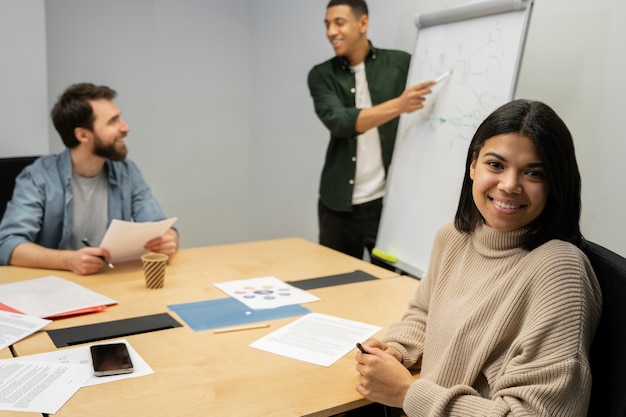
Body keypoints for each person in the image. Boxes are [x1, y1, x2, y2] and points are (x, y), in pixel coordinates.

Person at [354, 99, 603, 416]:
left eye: (533, 173)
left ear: (555, 183)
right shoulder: (453, 238)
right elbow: (425, 314)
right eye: (496, 165)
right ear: (473, 165)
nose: (510, 185)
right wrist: (396, 349)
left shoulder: (559, 270)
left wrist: (406, 393)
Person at [0, 83, 179, 275]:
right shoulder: (37, 176)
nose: (125, 127)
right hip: (55, 287)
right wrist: (67, 260)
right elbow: (8, 244)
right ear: (83, 135)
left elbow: (161, 226)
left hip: (109, 281)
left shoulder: (126, 171)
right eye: (113, 121)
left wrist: (168, 240)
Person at [308, 0, 435, 266]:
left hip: (387, 205)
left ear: (362, 23)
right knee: (336, 283)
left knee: (390, 284)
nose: (331, 31)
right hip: (338, 207)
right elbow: (339, 122)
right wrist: (398, 105)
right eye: (327, 24)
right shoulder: (321, 75)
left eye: (338, 22)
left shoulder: (400, 64)